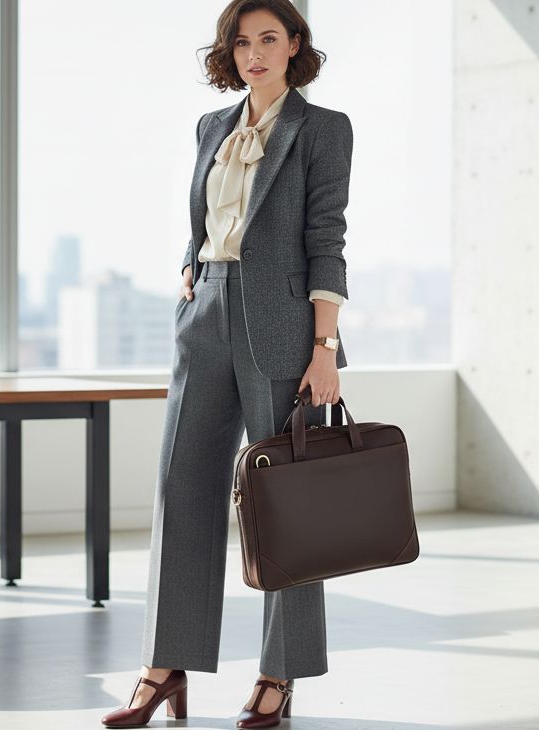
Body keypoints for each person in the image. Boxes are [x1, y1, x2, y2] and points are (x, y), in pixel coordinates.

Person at [102, 0, 352, 726]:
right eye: (241, 42)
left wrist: (324, 347)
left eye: (269, 39)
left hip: (281, 324)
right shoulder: (213, 126)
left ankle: (280, 674)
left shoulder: (322, 130)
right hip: (205, 312)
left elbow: (327, 235)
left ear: (295, 45)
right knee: (181, 487)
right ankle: (164, 666)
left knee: (286, 508)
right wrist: (189, 269)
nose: (254, 53)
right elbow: (204, 217)